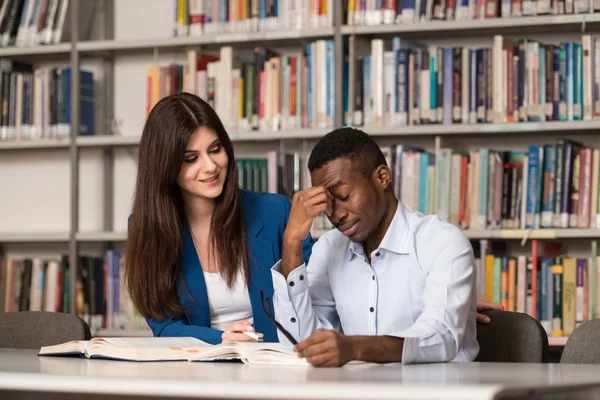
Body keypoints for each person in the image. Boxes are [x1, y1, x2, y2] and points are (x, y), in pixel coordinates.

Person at [271, 127, 488, 367]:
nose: (335, 215)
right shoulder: (329, 249)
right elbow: (299, 342)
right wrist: (292, 242)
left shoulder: (442, 242)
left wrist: (354, 347)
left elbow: (441, 337)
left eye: (343, 196)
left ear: (382, 177)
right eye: (327, 204)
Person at [124, 92, 312, 345]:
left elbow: (314, 298)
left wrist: (291, 247)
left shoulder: (275, 211)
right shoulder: (147, 227)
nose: (210, 166)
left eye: (215, 149)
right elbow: (165, 326)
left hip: (275, 364)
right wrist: (220, 339)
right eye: (191, 159)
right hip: (197, 370)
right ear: (164, 166)